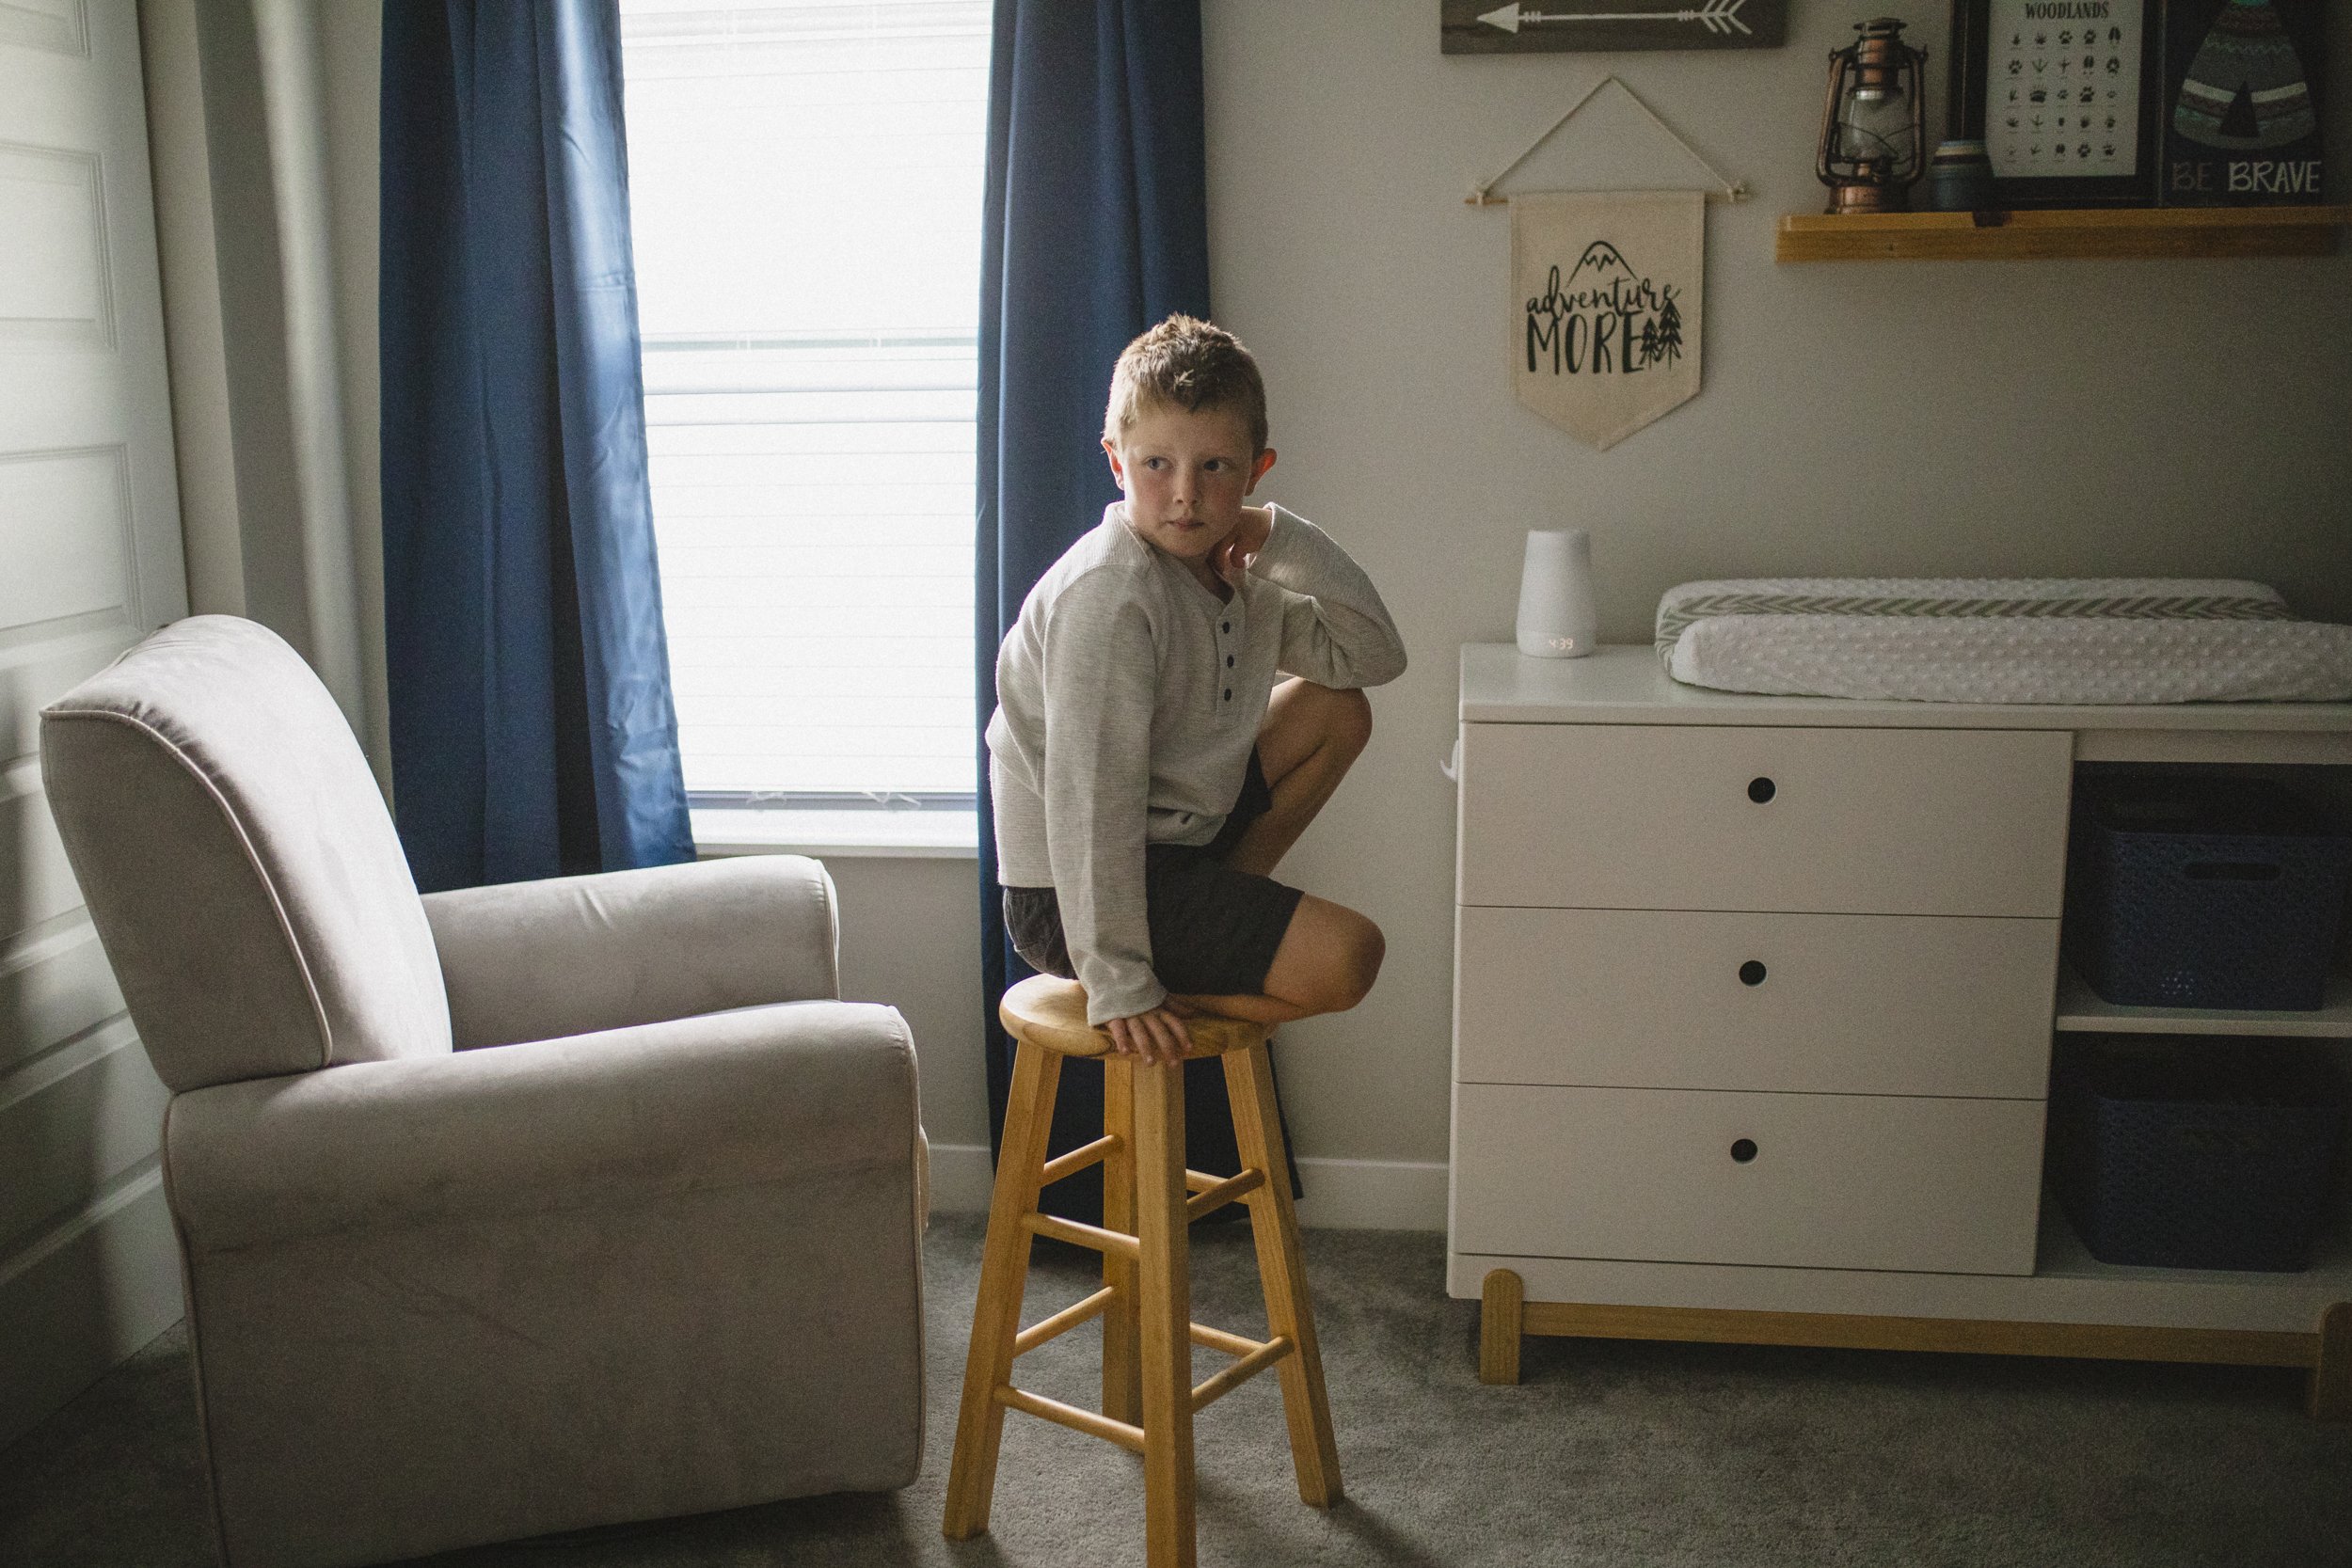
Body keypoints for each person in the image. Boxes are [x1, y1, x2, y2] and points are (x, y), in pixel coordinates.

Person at [985, 315, 1406, 1068]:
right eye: (1157, 463)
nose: (1186, 495)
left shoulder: (1241, 574)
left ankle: (1204, 922)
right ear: (1116, 462)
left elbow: (1373, 655)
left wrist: (1281, 537)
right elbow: (1091, 801)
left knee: (1338, 710)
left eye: (1215, 466)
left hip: (1173, 850)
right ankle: (1155, 973)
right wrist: (1119, 981)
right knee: (1353, 956)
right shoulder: (1110, 595)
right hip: (1069, 892)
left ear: (1256, 471)